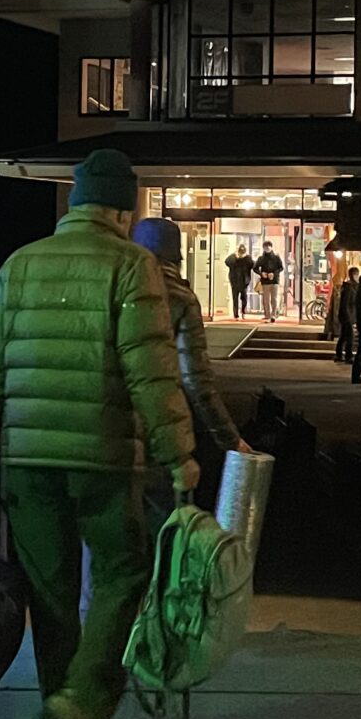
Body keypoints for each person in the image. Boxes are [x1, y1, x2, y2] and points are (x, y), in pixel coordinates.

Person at [0, 148, 196, 719]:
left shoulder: (20, 265)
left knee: (50, 592)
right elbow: (152, 373)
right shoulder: (131, 265)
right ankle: (84, 703)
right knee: (125, 572)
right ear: (126, 209)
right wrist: (181, 459)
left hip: (25, 461)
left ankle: (62, 717)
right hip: (103, 457)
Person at [132, 218, 251, 509]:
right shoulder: (181, 298)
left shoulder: (115, 288)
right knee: (168, 523)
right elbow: (195, 379)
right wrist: (230, 439)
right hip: (163, 434)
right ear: (177, 254)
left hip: (109, 432)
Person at [254, 241, 284, 320]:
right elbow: (255, 268)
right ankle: (267, 315)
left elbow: (281, 268)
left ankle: (273, 314)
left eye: (269, 246)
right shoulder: (261, 258)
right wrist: (261, 274)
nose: (267, 248)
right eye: (265, 246)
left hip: (275, 281)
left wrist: (274, 273)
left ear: (271, 247)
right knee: (266, 299)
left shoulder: (276, 257)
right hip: (265, 281)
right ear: (263, 248)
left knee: (274, 298)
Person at [225, 243, 254, 320]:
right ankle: (236, 314)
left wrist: (246, 257)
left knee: (244, 297)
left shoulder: (247, 258)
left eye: (242, 252)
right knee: (235, 298)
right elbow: (227, 262)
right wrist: (235, 256)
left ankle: (243, 311)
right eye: (240, 252)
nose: (241, 254)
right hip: (234, 281)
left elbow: (252, 264)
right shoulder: (233, 258)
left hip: (244, 282)